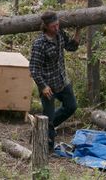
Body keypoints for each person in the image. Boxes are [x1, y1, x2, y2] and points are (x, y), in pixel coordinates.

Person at [29, 11, 81, 151]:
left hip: (62, 81)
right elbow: (34, 69)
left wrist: (78, 31)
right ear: (46, 26)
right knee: (49, 117)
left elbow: (71, 47)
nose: (56, 28)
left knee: (71, 106)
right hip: (48, 87)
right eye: (53, 26)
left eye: (58, 25)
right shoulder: (40, 44)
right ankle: (47, 147)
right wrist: (43, 86)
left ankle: (43, 128)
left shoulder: (60, 35)